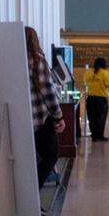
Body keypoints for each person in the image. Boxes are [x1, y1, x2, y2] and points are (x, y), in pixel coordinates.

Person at [26, 27, 65, 188]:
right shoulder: (36, 59)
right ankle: (33, 190)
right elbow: (47, 90)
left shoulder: (12, 61)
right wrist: (58, 116)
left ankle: (27, 192)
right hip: (39, 119)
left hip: (21, 119)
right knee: (51, 155)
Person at [83, 57, 109, 141]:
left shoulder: (88, 73)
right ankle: (99, 136)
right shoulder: (106, 73)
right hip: (101, 100)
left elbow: (85, 82)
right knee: (101, 118)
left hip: (90, 99)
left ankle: (94, 136)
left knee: (92, 118)